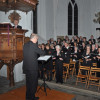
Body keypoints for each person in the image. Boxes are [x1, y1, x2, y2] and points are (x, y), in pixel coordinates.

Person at [23, 33, 45, 100]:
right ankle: (32, 97)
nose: (37, 40)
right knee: (33, 83)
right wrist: (41, 48)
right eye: (37, 39)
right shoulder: (34, 45)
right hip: (32, 68)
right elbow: (42, 53)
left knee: (28, 83)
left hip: (26, 67)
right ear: (34, 38)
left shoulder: (25, 45)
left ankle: (28, 97)